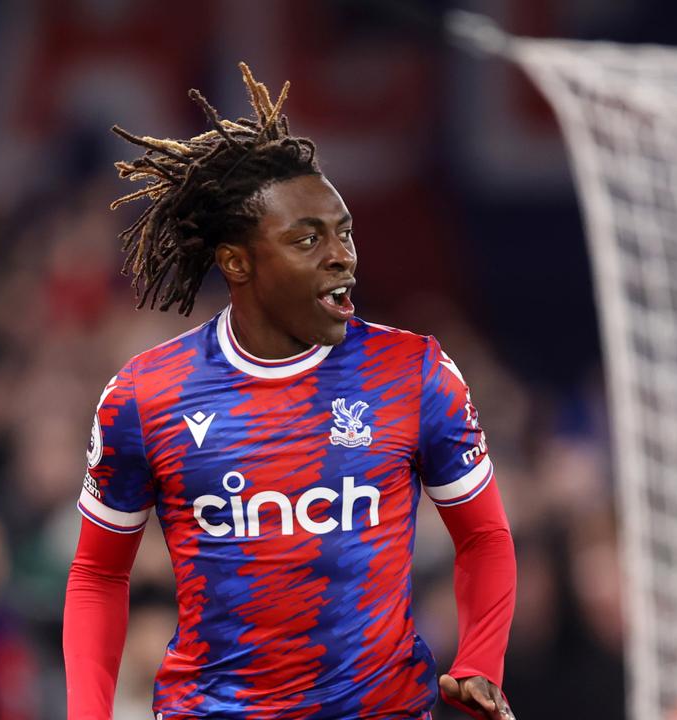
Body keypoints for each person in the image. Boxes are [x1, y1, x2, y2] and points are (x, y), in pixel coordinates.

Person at [63, 63, 517, 720]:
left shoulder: (412, 372)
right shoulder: (147, 395)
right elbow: (99, 574)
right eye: (308, 239)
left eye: (344, 232)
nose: (342, 255)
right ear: (238, 262)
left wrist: (479, 660)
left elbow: (485, 537)